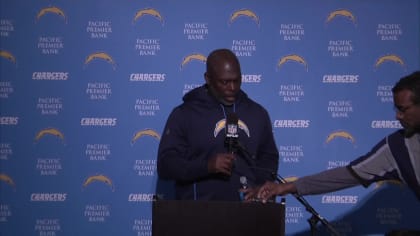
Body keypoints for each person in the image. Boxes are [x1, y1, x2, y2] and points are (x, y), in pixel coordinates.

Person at [243, 71, 420, 203]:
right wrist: (285, 187)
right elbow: (345, 175)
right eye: (396, 109)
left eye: (403, 109)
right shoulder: (397, 147)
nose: (398, 116)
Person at [157, 48, 279, 201]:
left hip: (248, 216)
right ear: (208, 78)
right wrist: (206, 166)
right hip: (197, 216)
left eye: (236, 80)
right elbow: (166, 165)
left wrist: (259, 187)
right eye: (225, 82)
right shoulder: (184, 114)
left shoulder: (257, 113)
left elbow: (269, 158)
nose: (232, 88)